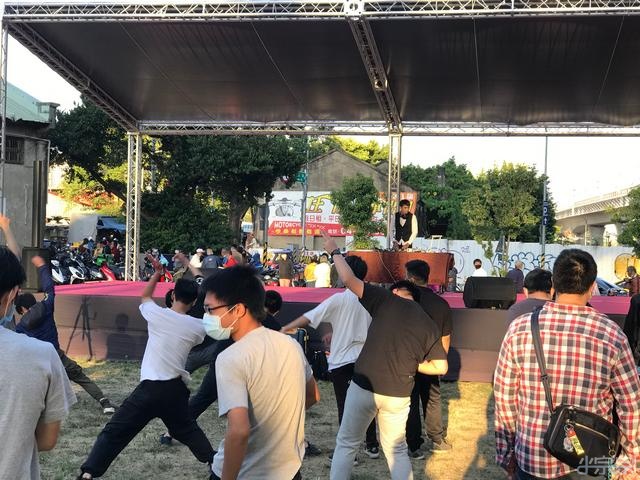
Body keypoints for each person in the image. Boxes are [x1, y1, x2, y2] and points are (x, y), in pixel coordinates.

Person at [494, 248, 640, 480]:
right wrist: (630, 461)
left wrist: (506, 453)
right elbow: (631, 406)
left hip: (532, 458)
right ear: (592, 287)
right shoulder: (612, 335)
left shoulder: (520, 329)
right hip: (589, 461)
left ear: (553, 284)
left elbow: (505, 398)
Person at [323, 231, 448, 480]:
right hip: (398, 393)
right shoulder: (428, 323)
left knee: (346, 443)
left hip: (364, 384)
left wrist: (334, 251)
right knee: (396, 450)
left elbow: (347, 278)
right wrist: (416, 365)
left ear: (396, 291)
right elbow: (441, 367)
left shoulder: (385, 300)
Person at [76, 261, 215, 480]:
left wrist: (157, 274)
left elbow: (145, 297)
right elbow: (215, 326)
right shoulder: (198, 327)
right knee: (187, 430)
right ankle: (214, 462)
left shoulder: (156, 315)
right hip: (175, 391)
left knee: (116, 431)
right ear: (195, 301)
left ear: (173, 296)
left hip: (149, 390)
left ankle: (89, 473)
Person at [203, 266, 319, 479]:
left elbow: (239, 431)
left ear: (238, 310)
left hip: (246, 473)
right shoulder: (290, 344)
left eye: (210, 309)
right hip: (289, 471)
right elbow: (313, 395)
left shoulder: (231, 357)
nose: (207, 316)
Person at [280, 255, 381, 462]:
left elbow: (310, 316)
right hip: (367, 359)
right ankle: (372, 445)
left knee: (345, 405)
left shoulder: (339, 299)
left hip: (342, 360)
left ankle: (348, 452)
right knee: (367, 403)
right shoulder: (374, 298)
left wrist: (285, 328)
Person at [0, 246, 77, 480]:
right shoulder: (40, 354)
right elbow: (46, 440)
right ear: (11, 295)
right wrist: (43, 268)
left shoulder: (23, 325)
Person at [13, 255, 117, 416]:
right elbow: (49, 287)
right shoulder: (47, 306)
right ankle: (104, 402)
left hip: (38, 361)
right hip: (56, 355)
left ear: (22, 309)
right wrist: (42, 267)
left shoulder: (21, 326)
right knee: (81, 377)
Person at [404, 260, 453, 457]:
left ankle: (413, 445)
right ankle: (437, 439)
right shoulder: (441, 304)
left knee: (410, 402)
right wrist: (441, 358)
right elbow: (446, 337)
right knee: (432, 399)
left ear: (411, 278)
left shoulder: (406, 302)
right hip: (433, 359)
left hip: (407, 359)